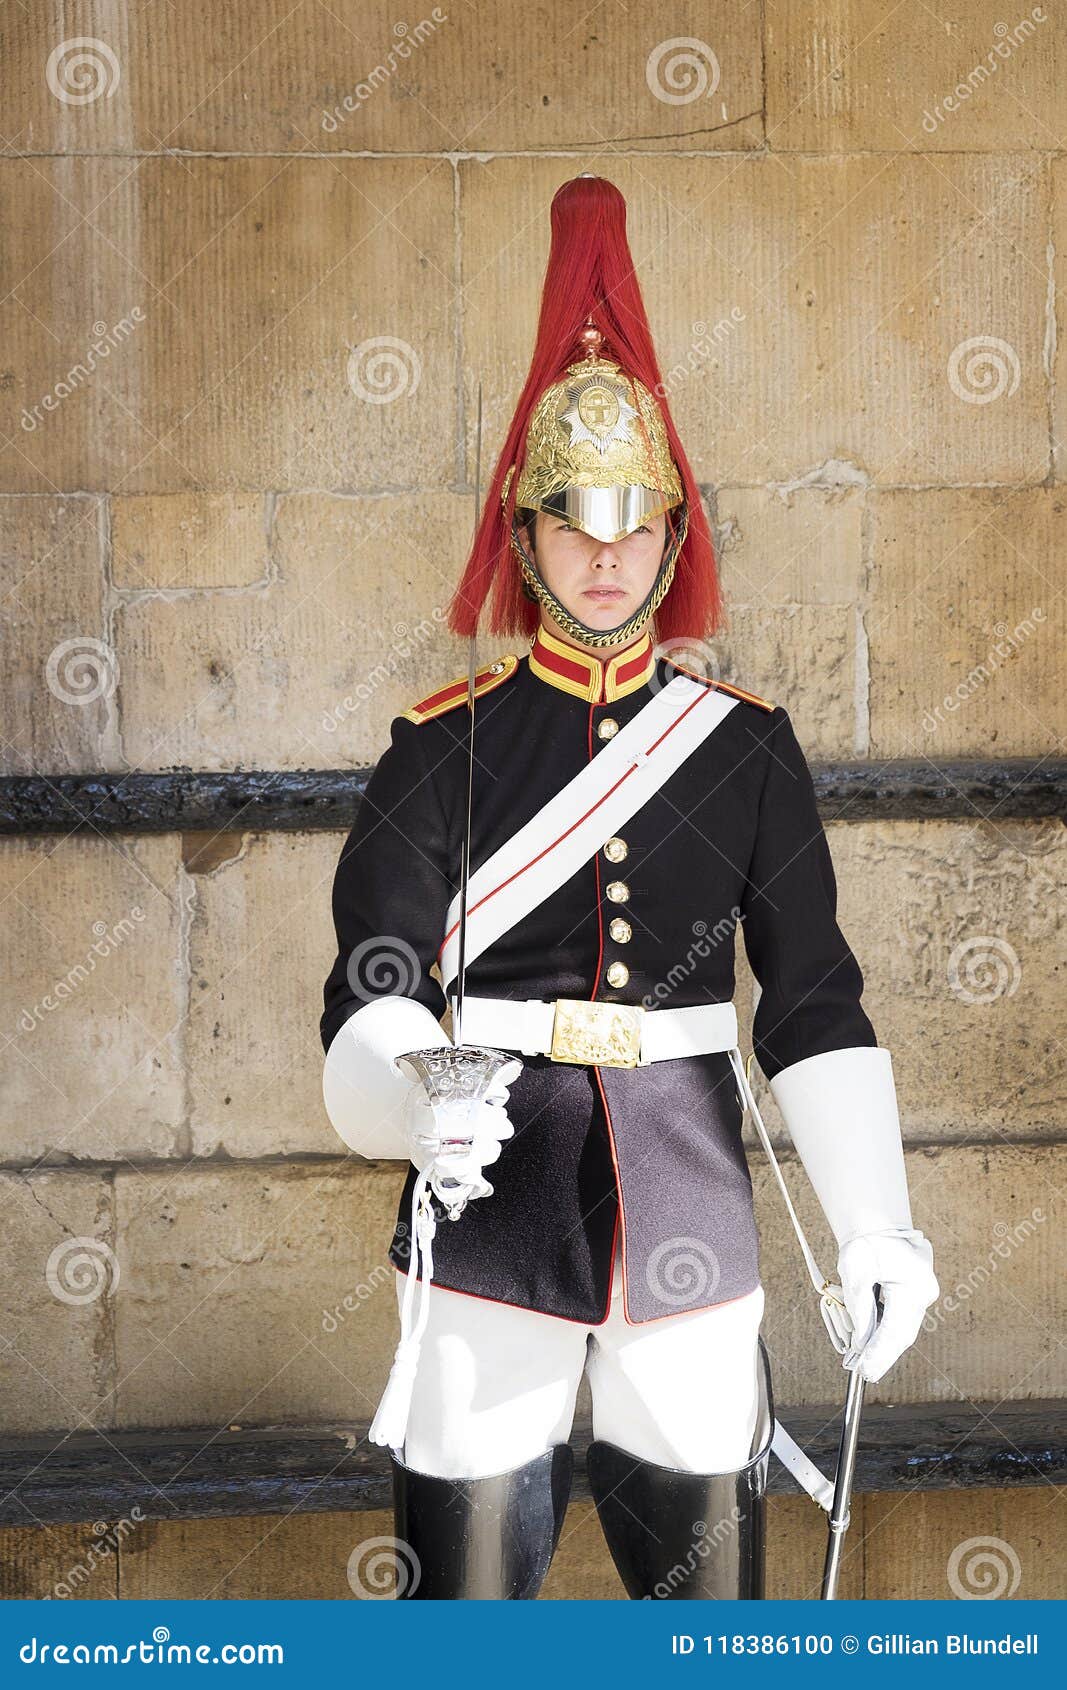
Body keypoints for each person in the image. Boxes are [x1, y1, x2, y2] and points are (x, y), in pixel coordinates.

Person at [320, 175, 938, 1601]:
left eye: (634, 520)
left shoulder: (745, 750)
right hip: (492, 1191)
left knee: (711, 1628)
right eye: (575, 521)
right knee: (468, 1626)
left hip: (688, 1198)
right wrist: (415, 1096)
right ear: (529, 533)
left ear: (671, 534)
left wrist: (876, 1223)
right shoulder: (441, 744)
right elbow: (374, 979)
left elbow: (814, 1000)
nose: (606, 552)